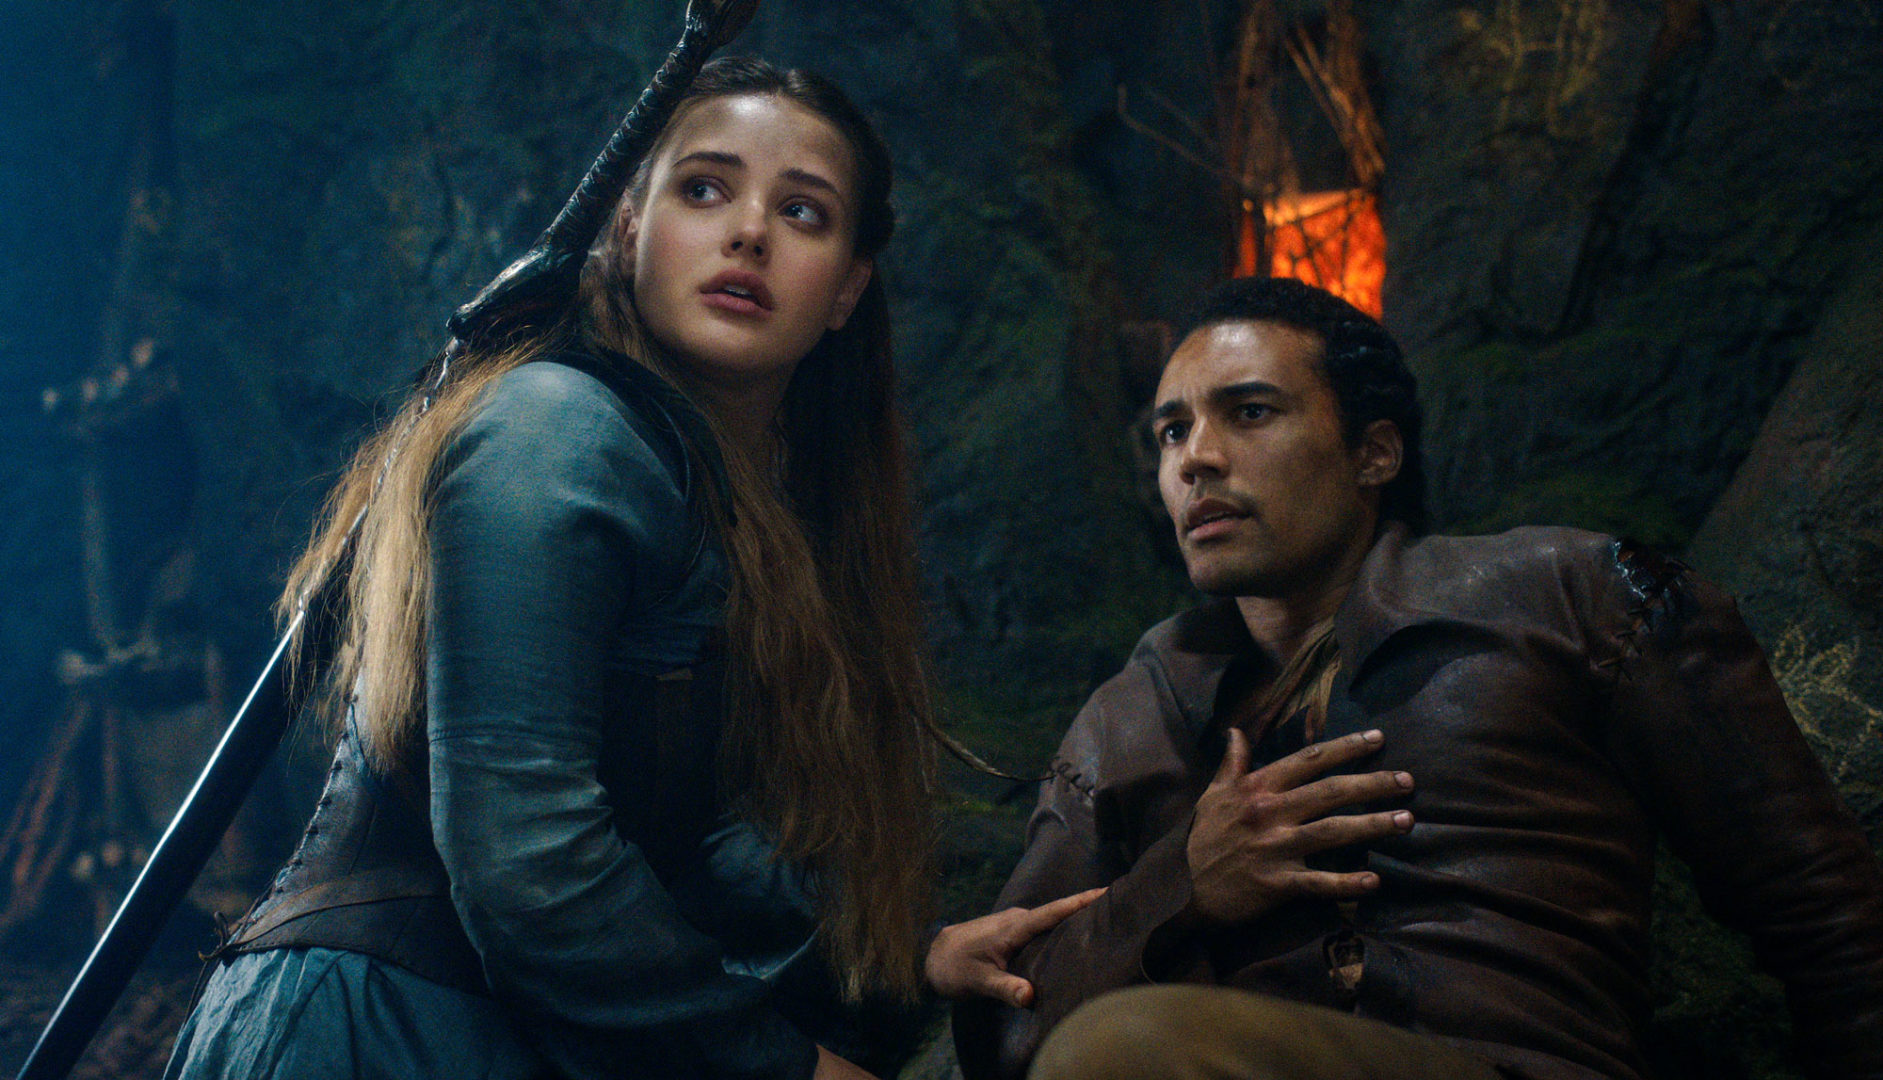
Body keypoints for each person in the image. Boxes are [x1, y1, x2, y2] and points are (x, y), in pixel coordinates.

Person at [165, 57, 1091, 1080]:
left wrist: (905, 962)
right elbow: (530, 865)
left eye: (802, 211)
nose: (748, 232)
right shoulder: (553, 430)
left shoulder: (734, 507)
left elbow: (689, 864)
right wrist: (788, 1070)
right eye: (704, 189)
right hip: (378, 1037)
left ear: (846, 289)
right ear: (626, 229)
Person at [953, 276, 1883, 1080]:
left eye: (1250, 411)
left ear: (1374, 453)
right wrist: (1184, 882)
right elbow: (1003, 1024)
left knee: (1132, 1047)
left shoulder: (1570, 596)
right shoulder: (1130, 715)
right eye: (1169, 431)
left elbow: (1831, 927)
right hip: (1194, 1058)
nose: (1193, 457)